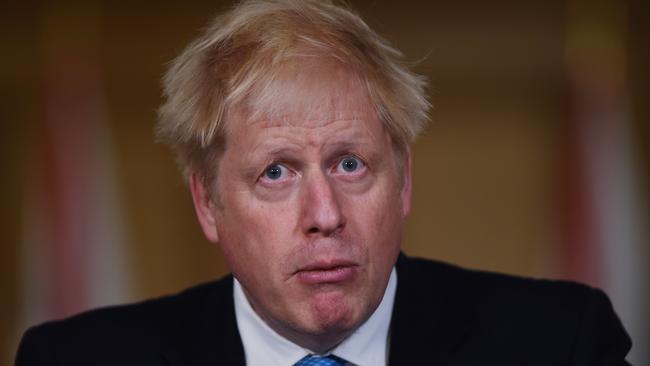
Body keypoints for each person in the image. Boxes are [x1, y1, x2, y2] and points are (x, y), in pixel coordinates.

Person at [16, 0, 632, 365]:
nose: (325, 213)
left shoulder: (559, 345)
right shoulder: (79, 361)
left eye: (349, 164)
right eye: (276, 172)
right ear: (208, 203)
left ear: (404, 180)